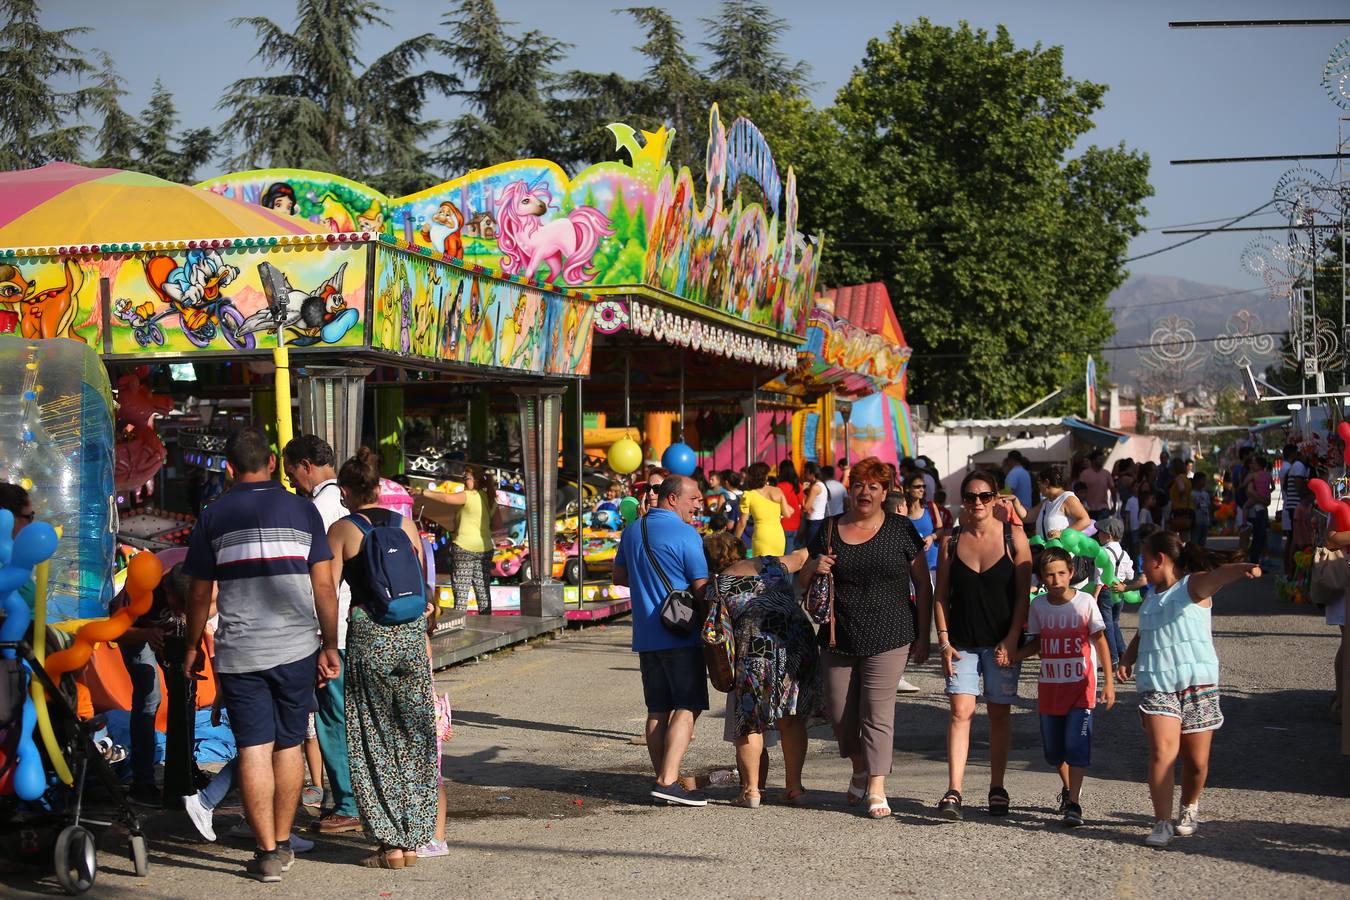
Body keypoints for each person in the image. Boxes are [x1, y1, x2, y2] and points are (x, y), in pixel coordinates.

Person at [182, 426, 341, 884]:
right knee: (289, 743)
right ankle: (286, 840)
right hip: (296, 648)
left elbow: (198, 592)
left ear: (229, 468)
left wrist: (193, 646)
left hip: (240, 651)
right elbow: (324, 585)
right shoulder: (302, 510)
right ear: (272, 463)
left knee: (253, 747)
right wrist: (329, 645)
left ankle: (267, 851)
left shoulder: (213, 515)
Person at [327, 448, 439, 868]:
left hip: (371, 636)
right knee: (414, 732)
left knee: (373, 737)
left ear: (346, 491)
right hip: (410, 636)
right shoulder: (405, 524)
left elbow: (325, 588)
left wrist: (324, 641)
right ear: (379, 488)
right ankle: (415, 836)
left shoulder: (342, 530)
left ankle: (390, 844)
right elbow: (424, 582)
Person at [804, 456, 931, 820]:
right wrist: (815, 566)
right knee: (839, 713)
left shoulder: (900, 529)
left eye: (873, 486)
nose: (864, 492)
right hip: (838, 634)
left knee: (877, 712)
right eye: (859, 485)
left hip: (890, 633)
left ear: (885, 492)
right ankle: (859, 764)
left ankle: (877, 785)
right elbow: (803, 581)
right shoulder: (828, 529)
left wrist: (923, 637)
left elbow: (923, 584)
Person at [1117, 531, 1260, 848]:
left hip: (1197, 684)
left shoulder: (1192, 585)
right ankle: (1162, 822)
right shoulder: (1151, 595)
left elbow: (1218, 576)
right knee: (1162, 753)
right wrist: (1127, 659)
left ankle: (1189, 806)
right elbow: (1146, 631)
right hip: (1158, 684)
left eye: (1144, 559)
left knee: (1196, 763)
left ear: (1159, 559)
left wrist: (1242, 569)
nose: (1143, 567)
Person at [933, 470, 1032, 820]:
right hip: (961, 642)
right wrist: (943, 642)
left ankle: (997, 786)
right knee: (960, 712)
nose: (978, 502)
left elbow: (1023, 595)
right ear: (963, 498)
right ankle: (954, 791)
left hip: (1001, 643)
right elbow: (941, 596)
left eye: (985, 496)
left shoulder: (1014, 537)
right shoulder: (951, 541)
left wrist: (1011, 637)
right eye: (971, 496)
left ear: (996, 498)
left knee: (999, 713)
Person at [703, 533, 822, 808]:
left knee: (750, 719)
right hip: (796, 643)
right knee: (791, 716)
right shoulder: (771, 565)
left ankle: (751, 791)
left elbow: (713, 630)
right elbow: (804, 555)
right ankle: (794, 787)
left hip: (756, 649)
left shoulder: (718, 584)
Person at [612, 475, 710, 806]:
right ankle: (668, 780)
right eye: (694, 498)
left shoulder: (633, 531)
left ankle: (661, 779)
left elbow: (619, 577)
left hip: (646, 636)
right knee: (688, 704)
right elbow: (701, 589)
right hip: (681, 636)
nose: (699, 504)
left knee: (657, 709)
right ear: (672, 499)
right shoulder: (686, 534)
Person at [281, 435, 362, 833]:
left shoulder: (316, 510)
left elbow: (320, 582)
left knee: (332, 717)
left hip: (332, 627)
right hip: (360, 624)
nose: (293, 482)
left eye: (292, 473)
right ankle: (354, 796)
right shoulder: (349, 504)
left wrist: (322, 640)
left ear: (307, 466)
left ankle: (347, 801)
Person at [1014, 546, 1115, 827]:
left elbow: (1101, 641)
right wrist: (1013, 656)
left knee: (1076, 745)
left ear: (1071, 573)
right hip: (1050, 689)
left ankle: (1074, 803)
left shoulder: (1085, 603)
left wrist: (1108, 682)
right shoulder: (1039, 607)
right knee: (1054, 753)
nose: (1056, 579)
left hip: (1081, 689)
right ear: (1042, 579)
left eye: (1061, 573)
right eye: (1049, 575)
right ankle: (1068, 788)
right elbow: (1036, 643)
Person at [116, 562, 196, 807]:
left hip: (169, 636)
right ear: (166, 591)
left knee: (187, 692)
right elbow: (115, 631)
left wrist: (194, 648)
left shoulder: (198, 585)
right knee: (150, 697)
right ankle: (142, 783)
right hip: (136, 634)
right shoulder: (142, 589)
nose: (181, 612)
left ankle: (185, 769)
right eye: (177, 606)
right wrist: (145, 635)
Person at [425, 465, 500, 615]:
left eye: (466, 478)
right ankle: (487, 624)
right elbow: (498, 525)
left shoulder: (468, 495)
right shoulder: (491, 499)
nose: (464, 481)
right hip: (484, 549)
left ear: (476, 480)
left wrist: (424, 492)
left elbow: (446, 498)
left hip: (464, 549)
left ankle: (460, 627)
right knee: (483, 591)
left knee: (461, 592)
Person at [1095, 517, 1132, 669]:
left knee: (1107, 625)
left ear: (1108, 535)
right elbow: (1130, 575)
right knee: (1115, 622)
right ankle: (1122, 653)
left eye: (1100, 533)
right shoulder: (1124, 553)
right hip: (1120, 591)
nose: (1098, 535)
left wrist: (1094, 595)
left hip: (1105, 591)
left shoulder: (1103, 552)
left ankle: (1113, 659)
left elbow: (1099, 576)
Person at [735, 461, 792, 556]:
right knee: (776, 567)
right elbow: (787, 514)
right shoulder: (777, 491)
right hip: (778, 535)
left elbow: (742, 522)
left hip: (761, 536)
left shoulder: (748, 495)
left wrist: (735, 541)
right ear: (765, 477)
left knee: (761, 568)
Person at [1029, 466, 1092, 539]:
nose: (1038, 486)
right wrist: (1015, 501)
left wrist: (1062, 533)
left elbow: (1085, 521)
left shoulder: (1068, 498)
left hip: (1064, 549)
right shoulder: (1046, 502)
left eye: (1039, 483)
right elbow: (1027, 517)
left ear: (1046, 482)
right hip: (1050, 548)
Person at [1280, 443, 1309, 577]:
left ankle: (1290, 570)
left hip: (1293, 506)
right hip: (1296, 506)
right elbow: (1298, 487)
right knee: (1295, 539)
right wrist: (1310, 496)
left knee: (1293, 538)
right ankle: (1291, 570)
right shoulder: (1299, 466)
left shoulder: (1295, 466)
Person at [1241, 456, 1272, 565]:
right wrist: (1267, 492)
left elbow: (1244, 484)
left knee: (1245, 507)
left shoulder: (1253, 475)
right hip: (1264, 501)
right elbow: (1272, 486)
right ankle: (1257, 558)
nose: (1252, 466)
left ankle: (1244, 523)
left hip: (1256, 500)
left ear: (1258, 465)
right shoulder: (1268, 475)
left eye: (1254, 464)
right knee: (1260, 536)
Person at [798, 462, 826, 550]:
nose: (804, 475)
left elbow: (806, 507)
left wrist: (802, 494)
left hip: (813, 521)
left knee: (810, 549)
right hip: (819, 519)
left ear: (812, 473)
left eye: (806, 472)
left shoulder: (815, 488)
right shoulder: (821, 485)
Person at [1079, 450, 1114, 520]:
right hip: (1089, 509)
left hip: (1103, 508)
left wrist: (1114, 505)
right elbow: (1080, 490)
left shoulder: (1106, 473)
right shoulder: (1084, 474)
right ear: (1093, 460)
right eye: (1099, 459)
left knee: (1102, 530)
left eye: (1102, 459)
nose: (1102, 461)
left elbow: (1113, 490)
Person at [776, 460, 802, 549]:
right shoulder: (797, 485)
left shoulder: (778, 486)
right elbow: (802, 502)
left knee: (783, 551)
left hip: (783, 522)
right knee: (791, 548)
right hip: (796, 521)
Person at [1166, 458, 1194, 535]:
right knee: (1185, 535)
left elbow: (1181, 489)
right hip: (1187, 509)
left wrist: (1182, 497)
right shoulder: (1186, 478)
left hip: (1179, 510)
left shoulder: (1179, 478)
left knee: (1176, 534)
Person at [1190, 472, 1212, 548]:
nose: (1204, 482)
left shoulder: (1206, 494)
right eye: (1203, 480)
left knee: (1202, 543)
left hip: (1205, 521)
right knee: (1195, 543)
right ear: (1196, 481)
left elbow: (1208, 507)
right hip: (1196, 522)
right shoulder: (1191, 494)